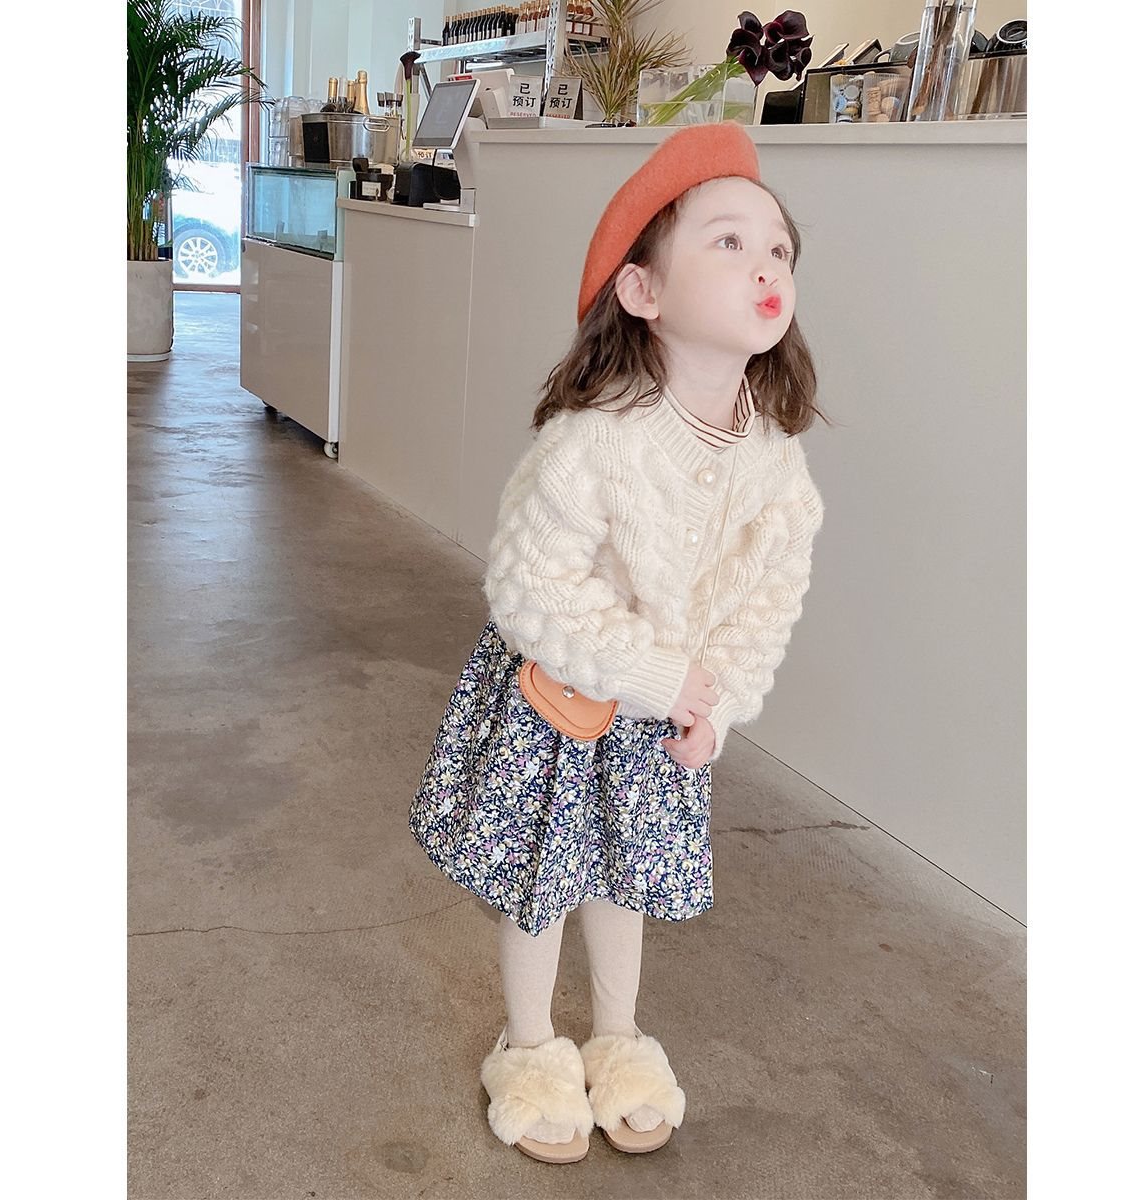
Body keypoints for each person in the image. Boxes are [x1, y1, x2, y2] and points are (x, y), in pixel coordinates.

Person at [409, 122, 828, 1164]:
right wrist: (656, 673)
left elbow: (769, 597)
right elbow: (528, 585)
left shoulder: (776, 460)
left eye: (778, 248)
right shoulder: (592, 440)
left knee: (623, 874)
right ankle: (529, 1045)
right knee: (547, 877)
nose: (766, 265)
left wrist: (719, 699)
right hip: (567, 700)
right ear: (642, 290)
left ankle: (619, 1036)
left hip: (665, 716)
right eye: (728, 242)